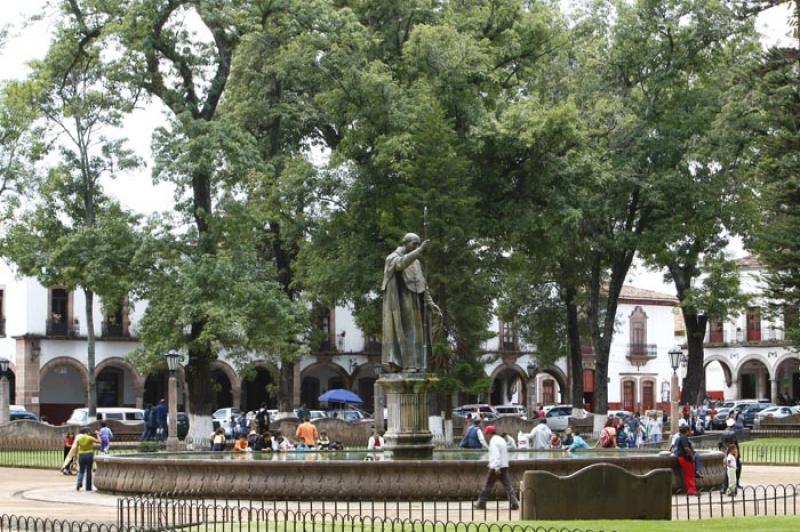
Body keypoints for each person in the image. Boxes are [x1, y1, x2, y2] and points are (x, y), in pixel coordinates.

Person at [381, 233, 442, 372]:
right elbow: (400, 264)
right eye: (414, 243)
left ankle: (416, 365)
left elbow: (422, 284)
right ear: (405, 243)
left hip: (415, 304)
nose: (417, 246)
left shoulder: (416, 263)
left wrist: (430, 303)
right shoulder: (392, 258)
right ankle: (406, 365)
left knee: (417, 335)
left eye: (418, 244)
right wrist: (419, 251)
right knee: (406, 333)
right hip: (401, 304)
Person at [473, 426, 519, 510]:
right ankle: (514, 503)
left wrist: (496, 467)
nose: (486, 436)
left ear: (490, 433)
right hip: (504, 465)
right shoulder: (501, 440)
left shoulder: (493, 441)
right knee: (508, 485)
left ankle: (481, 503)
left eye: (487, 434)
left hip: (496, 467)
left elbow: (496, 455)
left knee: (488, 485)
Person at [719, 418, 742, 493]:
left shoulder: (723, 433)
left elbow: (720, 445)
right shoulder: (733, 433)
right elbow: (735, 445)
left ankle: (724, 487)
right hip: (733, 453)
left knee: (728, 471)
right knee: (736, 469)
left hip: (727, 453)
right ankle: (735, 484)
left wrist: (724, 453)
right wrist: (737, 456)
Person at [674, 425, 698, 495]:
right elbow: (686, 448)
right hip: (685, 458)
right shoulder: (684, 437)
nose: (690, 432)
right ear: (687, 431)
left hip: (682, 457)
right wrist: (692, 456)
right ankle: (692, 490)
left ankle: (691, 489)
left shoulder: (680, 437)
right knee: (689, 474)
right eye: (689, 431)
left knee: (688, 474)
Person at [75, 428, 99, 492]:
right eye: (89, 432)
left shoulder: (79, 439)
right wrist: (98, 434)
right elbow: (99, 441)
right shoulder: (89, 438)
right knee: (89, 470)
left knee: (81, 470)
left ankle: (79, 482)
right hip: (89, 454)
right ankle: (88, 487)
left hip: (81, 455)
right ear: (87, 432)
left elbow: (76, 447)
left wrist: (75, 456)